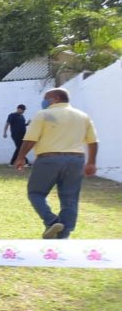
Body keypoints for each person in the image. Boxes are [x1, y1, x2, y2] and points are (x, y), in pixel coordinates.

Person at [14, 87, 98, 239]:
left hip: (49, 159)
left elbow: (30, 139)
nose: (44, 101)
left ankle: (52, 221)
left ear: (55, 99)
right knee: (70, 198)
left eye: (46, 98)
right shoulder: (83, 116)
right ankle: (63, 234)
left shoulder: (44, 114)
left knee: (36, 193)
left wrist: (20, 157)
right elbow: (93, 142)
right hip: (76, 160)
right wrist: (91, 162)